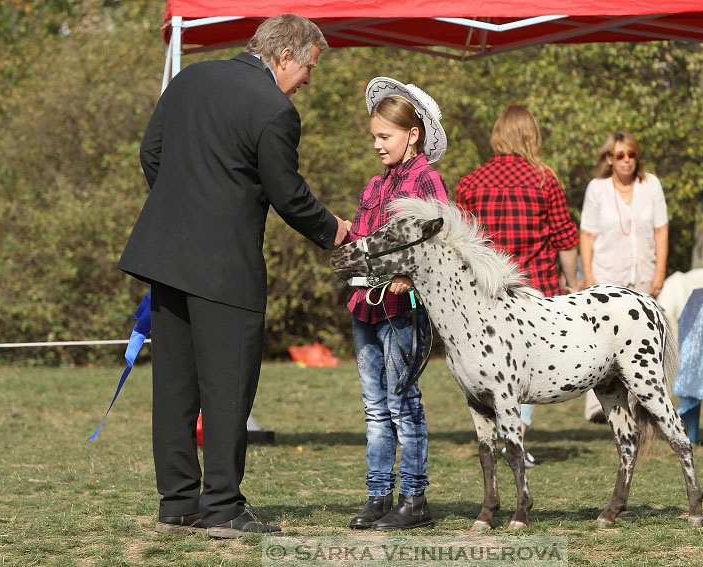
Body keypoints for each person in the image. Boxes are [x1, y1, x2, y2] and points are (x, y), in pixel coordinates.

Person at [118, 15, 351, 539]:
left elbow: (151, 155)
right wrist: (334, 229)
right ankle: (222, 506)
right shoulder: (274, 111)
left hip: (165, 256)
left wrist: (189, 207)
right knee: (227, 387)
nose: (308, 81)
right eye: (309, 68)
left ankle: (178, 503)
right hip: (226, 267)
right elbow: (288, 194)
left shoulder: (189, 80)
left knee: (174, 387)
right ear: (286, 56)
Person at [346, 77, 449, 531]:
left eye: (384, 136)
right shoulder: (375, 185)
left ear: (413, 135)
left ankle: (414, 497)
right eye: (373, 136)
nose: (376, 144)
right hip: (364, 305)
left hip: (401, 310)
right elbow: (363, 241)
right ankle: (378, 494)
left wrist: (409, 275)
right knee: (374, 406)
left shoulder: (426, 180)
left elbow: (440, 237)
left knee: (402, 401)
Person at [456, 105, 579, 467]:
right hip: (534, 289)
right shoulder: (545, 180)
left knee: (493, 364)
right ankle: (516, 438)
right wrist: (571, 283)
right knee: (527, 368)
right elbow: (564, 238)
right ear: (531, 135)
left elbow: (461, 243)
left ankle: (502, 438)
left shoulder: (470, 182)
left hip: (486, 292)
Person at [579, 131, 668, 422]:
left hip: (642, 271)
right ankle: (598, 406)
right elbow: (588, 234)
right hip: (607, 274)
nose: (627, 160)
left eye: (631, 154)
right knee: (602, 342)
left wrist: (660, 270)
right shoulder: (597, 188)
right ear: (609, 159)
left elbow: (661, 229)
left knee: (639, 341)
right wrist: (588, 273)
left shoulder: (650, 185)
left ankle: (639, 403)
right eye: (620, 155)